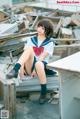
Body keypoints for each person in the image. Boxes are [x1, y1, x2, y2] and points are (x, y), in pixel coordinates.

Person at [6, 19, 56, 104]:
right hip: (29, 66)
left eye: (43, 28)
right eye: (39, 26)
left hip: (40, 67)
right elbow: (24, 55)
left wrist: (34, 70)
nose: (39, 29)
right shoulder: (31, 39)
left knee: (39, 63)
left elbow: (42, 57)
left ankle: (43, 93)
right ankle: (15, 69)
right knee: (29, 49)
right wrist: (21, 73)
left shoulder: (50, 43)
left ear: (47, 31)